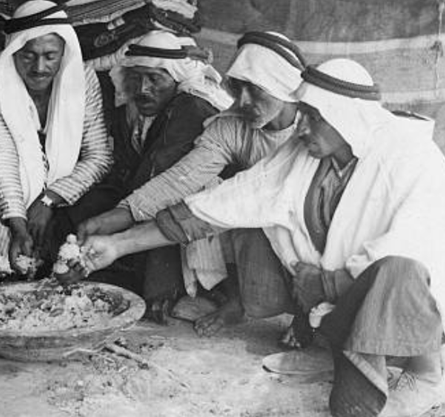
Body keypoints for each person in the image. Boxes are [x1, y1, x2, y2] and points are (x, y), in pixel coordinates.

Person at [86, 58, 445, 417]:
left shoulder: (413, 158)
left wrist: (324, 284)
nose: (300, 127)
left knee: (401, 270)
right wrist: (119, 245)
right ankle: (338, 348)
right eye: (301, 113)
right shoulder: (305, 153)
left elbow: (416, 248)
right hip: (332, 296)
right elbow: (218, 205)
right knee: (251, 223)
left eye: (313, 116)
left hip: (411, 312)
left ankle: (425, 374)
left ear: (348, 116)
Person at [79, 31, 305, 331]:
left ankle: (307, 315)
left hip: (310, 229)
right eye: (239, 89)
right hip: (260, 225)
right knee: (221, 201)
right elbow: (180, 180)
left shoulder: (314, 131)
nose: (245, 100)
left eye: (256, 90)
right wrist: (119, 220)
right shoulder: (232, 127)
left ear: (284, 86)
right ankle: (239, 301)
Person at [47, 30, 232, 287]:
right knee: (80, 209)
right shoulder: (134, 109)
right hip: (139, 195)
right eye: (135, 78)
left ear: (176, 78)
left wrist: (114, 217)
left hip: (183, 200)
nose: (143, 89)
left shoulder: (191, 106)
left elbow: (163, 178)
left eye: (155, 79)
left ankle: (163, 293)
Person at [0, 0, 113, 273]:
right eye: (28, 55)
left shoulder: (82, 78)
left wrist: (49, 199)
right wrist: (18, 225)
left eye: (50, 56)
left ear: (64, 53)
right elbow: (2, 159)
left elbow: (99, 156)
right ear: (13, 52)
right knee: (2, 260)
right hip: (7, 189)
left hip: (67, 187)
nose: (39, 67)